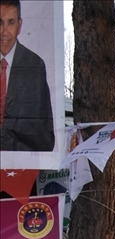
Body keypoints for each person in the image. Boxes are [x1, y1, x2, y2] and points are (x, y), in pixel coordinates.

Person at [0, 0, 55, 152]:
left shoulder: (35, 66)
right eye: (0, 22)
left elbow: (44, 133)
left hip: (20, 164)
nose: (5, 31)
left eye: (11, 22)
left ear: (19, 25)